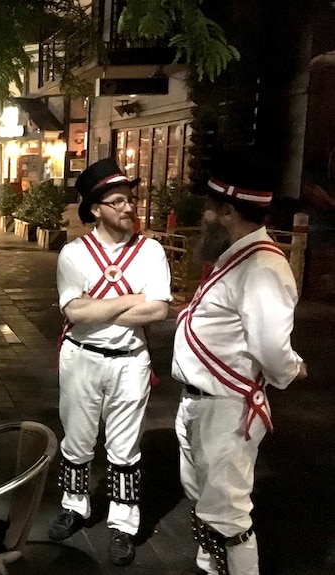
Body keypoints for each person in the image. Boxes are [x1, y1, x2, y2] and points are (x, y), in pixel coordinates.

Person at [172, 151, 307, 575]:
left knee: (228, 515)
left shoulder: (263, 266)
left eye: (210, 210)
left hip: (226, 409)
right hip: (203, 403)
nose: (205, 217)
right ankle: (210, 569)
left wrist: (291, 367)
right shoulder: (238, 256)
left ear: (228, 211)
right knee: (207, 504)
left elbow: (270, 346)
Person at [48, 158, 172, 566]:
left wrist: (97, 306)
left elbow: (157, 312)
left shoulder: (150, 250)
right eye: (117, 201)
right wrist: (132, 299)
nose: (128, 208)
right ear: (96, 209)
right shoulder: (73, 254)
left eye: (130, 200)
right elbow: (74, 313)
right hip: (81, 359)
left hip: (131, 361)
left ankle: (123, 523)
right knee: (78, 438)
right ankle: (74, 504)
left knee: (125, 447)